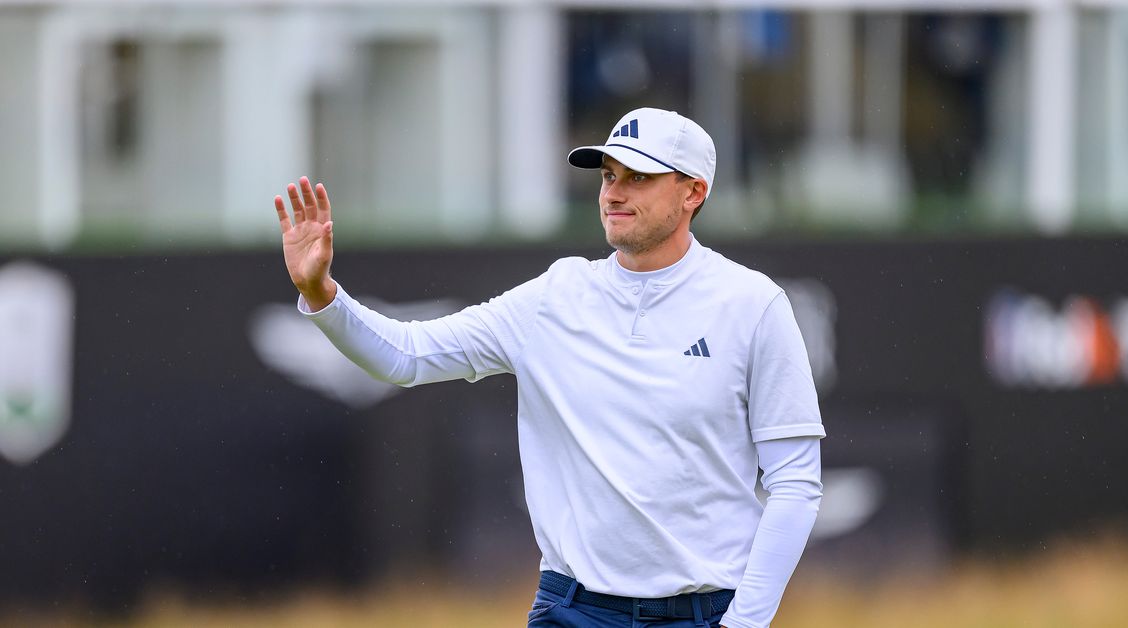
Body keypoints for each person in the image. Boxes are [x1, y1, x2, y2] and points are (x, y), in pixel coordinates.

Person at [272, 108, 824, 628]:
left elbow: (795, 483)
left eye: (638, 178)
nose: (614, 193)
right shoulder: (554, 298)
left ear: (693, 192)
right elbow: (406, 356)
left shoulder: (753, 305)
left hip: (704, 613)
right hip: (572, 611)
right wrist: (321, 292)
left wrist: (745, 623)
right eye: (608, 176)